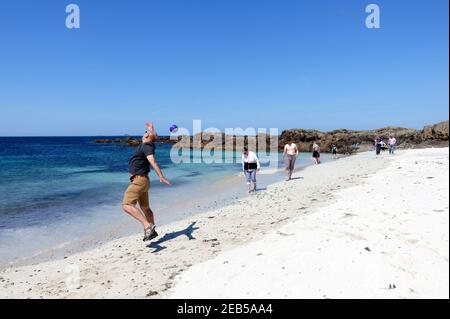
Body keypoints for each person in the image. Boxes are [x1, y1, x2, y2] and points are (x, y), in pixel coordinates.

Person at [122, 122, 171, 242]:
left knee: (126, 205)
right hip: (143, 181)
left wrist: (161, 176)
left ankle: (147, 225)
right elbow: (153, 138)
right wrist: (152, 129)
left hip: (139, 181)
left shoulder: (147, 146)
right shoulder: (146, 145)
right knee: (145, 207)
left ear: (148, 137)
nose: (144, 133)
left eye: (147, 133)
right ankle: (152, 229)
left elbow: (153, 161)